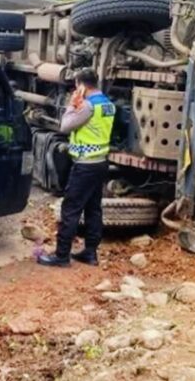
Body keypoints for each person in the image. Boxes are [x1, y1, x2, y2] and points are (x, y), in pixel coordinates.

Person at [38, 68, 115, 267]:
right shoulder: (107, 104)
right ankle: (90, 253)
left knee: (70, 209)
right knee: (93, 209)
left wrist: (72, 104)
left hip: (85, 165)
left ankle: (61, 256)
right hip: (100, 163)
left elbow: (65, 126)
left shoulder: (88, 106)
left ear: (81, 85)